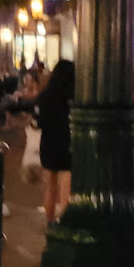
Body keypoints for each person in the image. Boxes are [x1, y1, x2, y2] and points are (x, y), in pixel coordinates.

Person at [36, 59, 75, 226]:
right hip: (68, 143)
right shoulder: (73, 95)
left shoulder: (45, 95)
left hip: (49, 143)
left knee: (49, 186)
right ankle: (65, 222)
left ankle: (50, 221)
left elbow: (38, 122)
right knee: (66, 185)